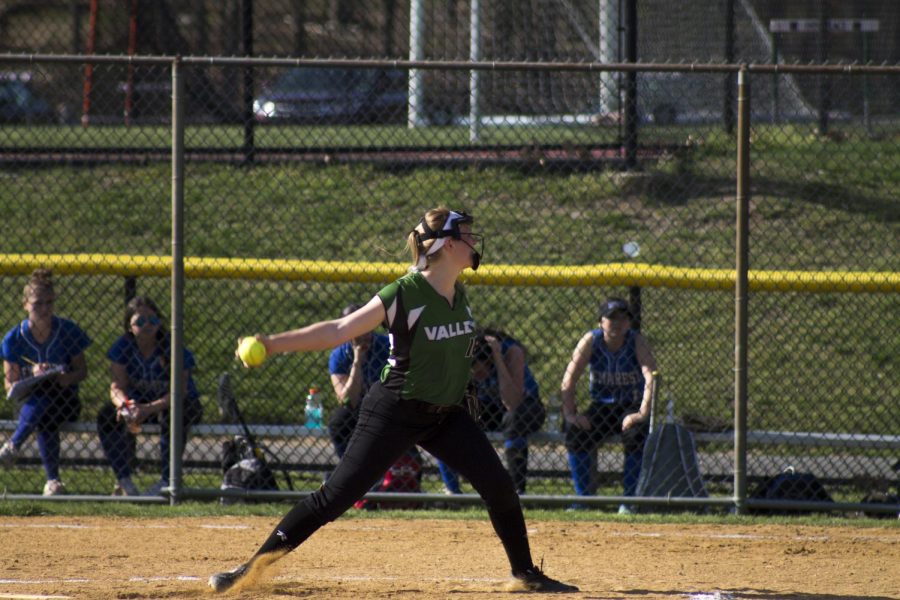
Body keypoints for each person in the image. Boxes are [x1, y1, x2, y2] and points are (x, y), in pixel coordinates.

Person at [208, 207, 577, 594]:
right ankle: (247, 571)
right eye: (467, 235)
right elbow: (339, 329)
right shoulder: (404, 293)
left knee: (499, 486)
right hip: (396, 409)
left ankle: (525, 574)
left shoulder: (456, 290)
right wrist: (271, 344)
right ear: (448, 244)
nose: (474, 241)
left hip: (444, 415)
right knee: (334, 498)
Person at [96, 296, 203, 496]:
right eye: (140, 321)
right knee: (106, 415)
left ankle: (167, 481)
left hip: (175, 404)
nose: (147, 326)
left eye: (153, 321)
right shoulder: (123, 346)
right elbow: (116, 386)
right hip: (139, 404)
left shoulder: (171, 347)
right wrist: (125, 405)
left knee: (172, 417)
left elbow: (179, 392)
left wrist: (148, 408)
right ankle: (124, 480)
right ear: (129, 326)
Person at [560, 297, 657, 513]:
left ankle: (629, 500)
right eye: (611, 318)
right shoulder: (591, 341)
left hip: (630, 407)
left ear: (629, 323)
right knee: (576, 433)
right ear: (600, 322)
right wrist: (571, 415)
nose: (617, 323)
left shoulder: (636, 341)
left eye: (623, 318)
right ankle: (584, 499)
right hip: (601, 406)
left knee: (636, 435)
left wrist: (641, 413)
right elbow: (569, 379)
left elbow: (650, 377)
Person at [0, 269, 91, 496]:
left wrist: (63, 376)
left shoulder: (66, 330)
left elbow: (81, 371)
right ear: (25, 305)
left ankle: (13, 445)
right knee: (44, 406)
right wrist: (32, 373)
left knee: (50, 397)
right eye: (37, 303)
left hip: (65, 400)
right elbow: (10, 385)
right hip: (29, 404)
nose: (44, 309)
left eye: (49, 303)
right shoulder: (14, 338)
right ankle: (53, 482)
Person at [438, 328, 545, 495]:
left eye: (480, 371)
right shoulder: (463, 355)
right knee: (445, 419)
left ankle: (516, 492)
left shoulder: (512, 352)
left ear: (489, 360)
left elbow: (512, 402)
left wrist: (498, 358)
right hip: (490, 407)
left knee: (514, 419)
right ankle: (452, 491)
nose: (476, 375)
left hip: (526, 407)